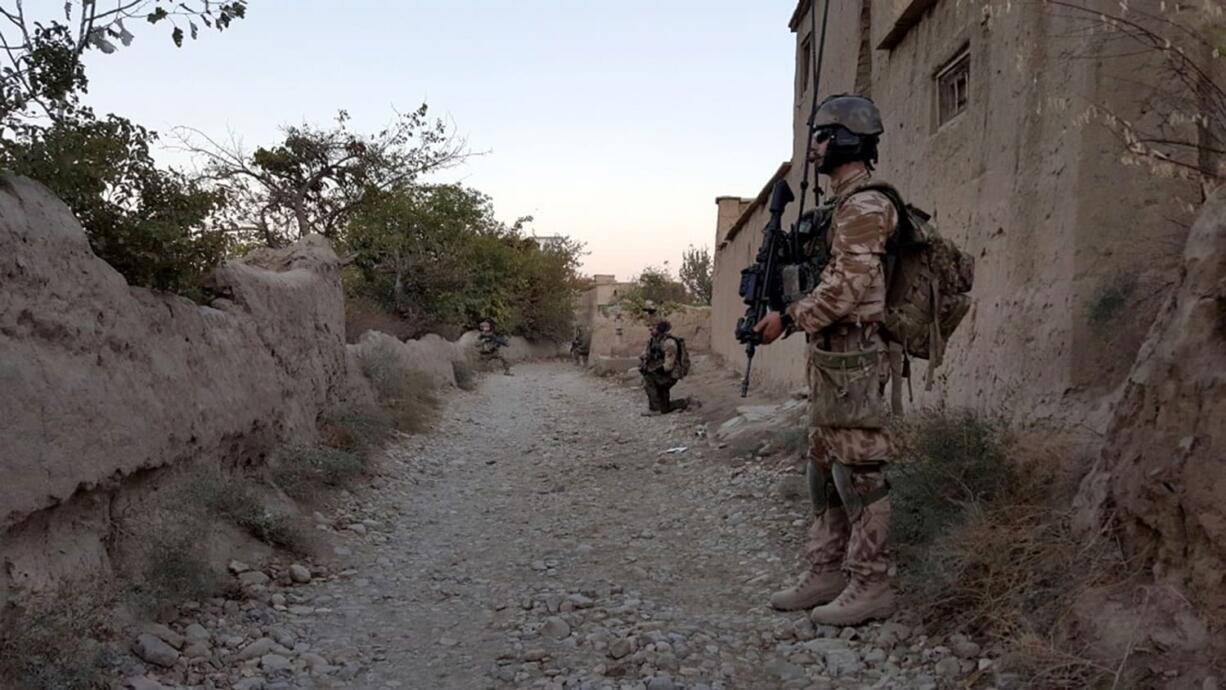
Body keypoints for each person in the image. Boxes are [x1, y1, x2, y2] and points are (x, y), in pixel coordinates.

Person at [754, 94, 898, 626]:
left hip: (857, 353)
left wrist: (788, 318)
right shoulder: (839, 205)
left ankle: (871, 582)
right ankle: (827, 571)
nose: (813, 146)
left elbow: (843, 291)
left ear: (842, 140)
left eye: (820, 136)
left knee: (859, 469)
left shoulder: (866, 205)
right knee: (823, 463)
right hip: (832, 354)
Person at [638, 319, 689, 415]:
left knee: (648, 378)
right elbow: (645, 354)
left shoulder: (669, 343)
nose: (650, 329)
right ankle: (685, 402)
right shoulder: (653, 341)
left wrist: (654, 371)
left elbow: (669, 365)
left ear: (660, 328)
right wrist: (645, 360)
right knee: (664, 408)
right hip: (662, 373)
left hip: (670, 375)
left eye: (653, 327)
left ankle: (654, 409)